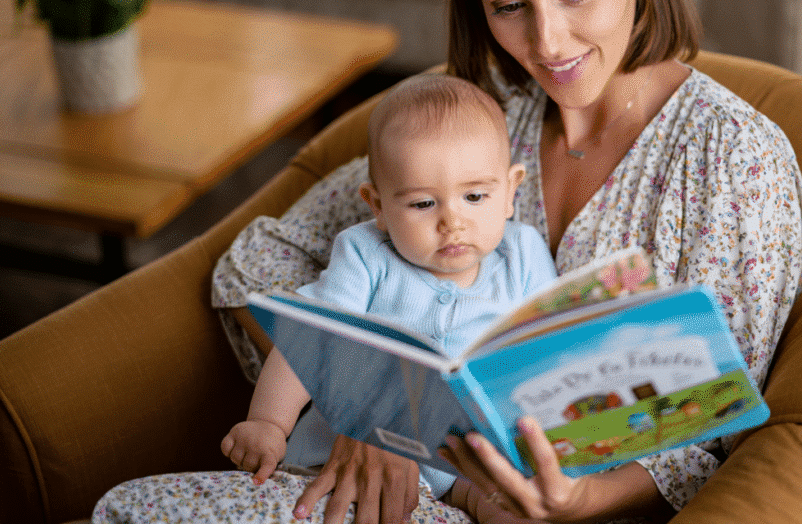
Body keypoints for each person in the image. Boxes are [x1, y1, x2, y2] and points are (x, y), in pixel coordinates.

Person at [92, 0, 802, 522]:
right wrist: (378, 409)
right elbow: (258, 261)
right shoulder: (486, 122)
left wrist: (575, 503)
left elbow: (711, 430)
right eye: (508, 6)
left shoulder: (734, 159)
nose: (548, 43)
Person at [219, 73, 558, 511]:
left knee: (519, 510)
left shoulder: (524, 253)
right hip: (342, 461)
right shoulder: (365, 255)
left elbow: (552, 340)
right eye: (422, 204)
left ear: (511, 191)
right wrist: (268, 422)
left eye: (475, 196)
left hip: (472, 466)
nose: (451, 221)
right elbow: (311, 341)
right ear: (377, 205)